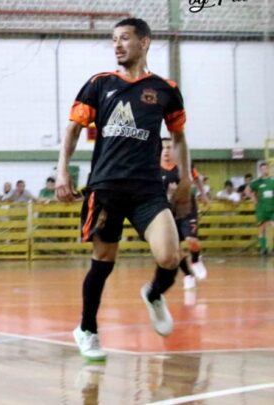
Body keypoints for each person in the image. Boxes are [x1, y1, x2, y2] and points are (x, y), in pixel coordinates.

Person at [55, 18, 192, 361]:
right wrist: (62, 172)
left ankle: (154, 293)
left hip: (148, 190)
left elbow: (178, 137)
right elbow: (72, 130)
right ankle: (87, 329)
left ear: (144, 42)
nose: (117, 45)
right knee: (103, 262)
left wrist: (186, 178)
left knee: (170, 257)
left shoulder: (165, 89)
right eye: (114, 39)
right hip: (106, 188)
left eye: (125, 38)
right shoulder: (99, 84)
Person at [161, 138, 208, 291]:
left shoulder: (184, 165)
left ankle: (195, 260)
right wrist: (168, 194)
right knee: (176, 249)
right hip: (169, 211)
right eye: (163, 148)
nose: (166, 151)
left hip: (187, 208)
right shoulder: (154, 169)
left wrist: (204, 195)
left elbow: (197, 178)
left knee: (191, 239)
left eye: (169, 147)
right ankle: (188, 275)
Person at [246, 162, 274, 256]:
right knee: (261, 229)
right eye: (262, 169)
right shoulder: (257, 182)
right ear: (260, 170)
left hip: (272, 208)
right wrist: (252, 197)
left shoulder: (272, 180)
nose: (264, 170)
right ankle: (263, 248)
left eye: (266, 168)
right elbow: (247, 190)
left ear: (268, 169)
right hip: (261, 209)